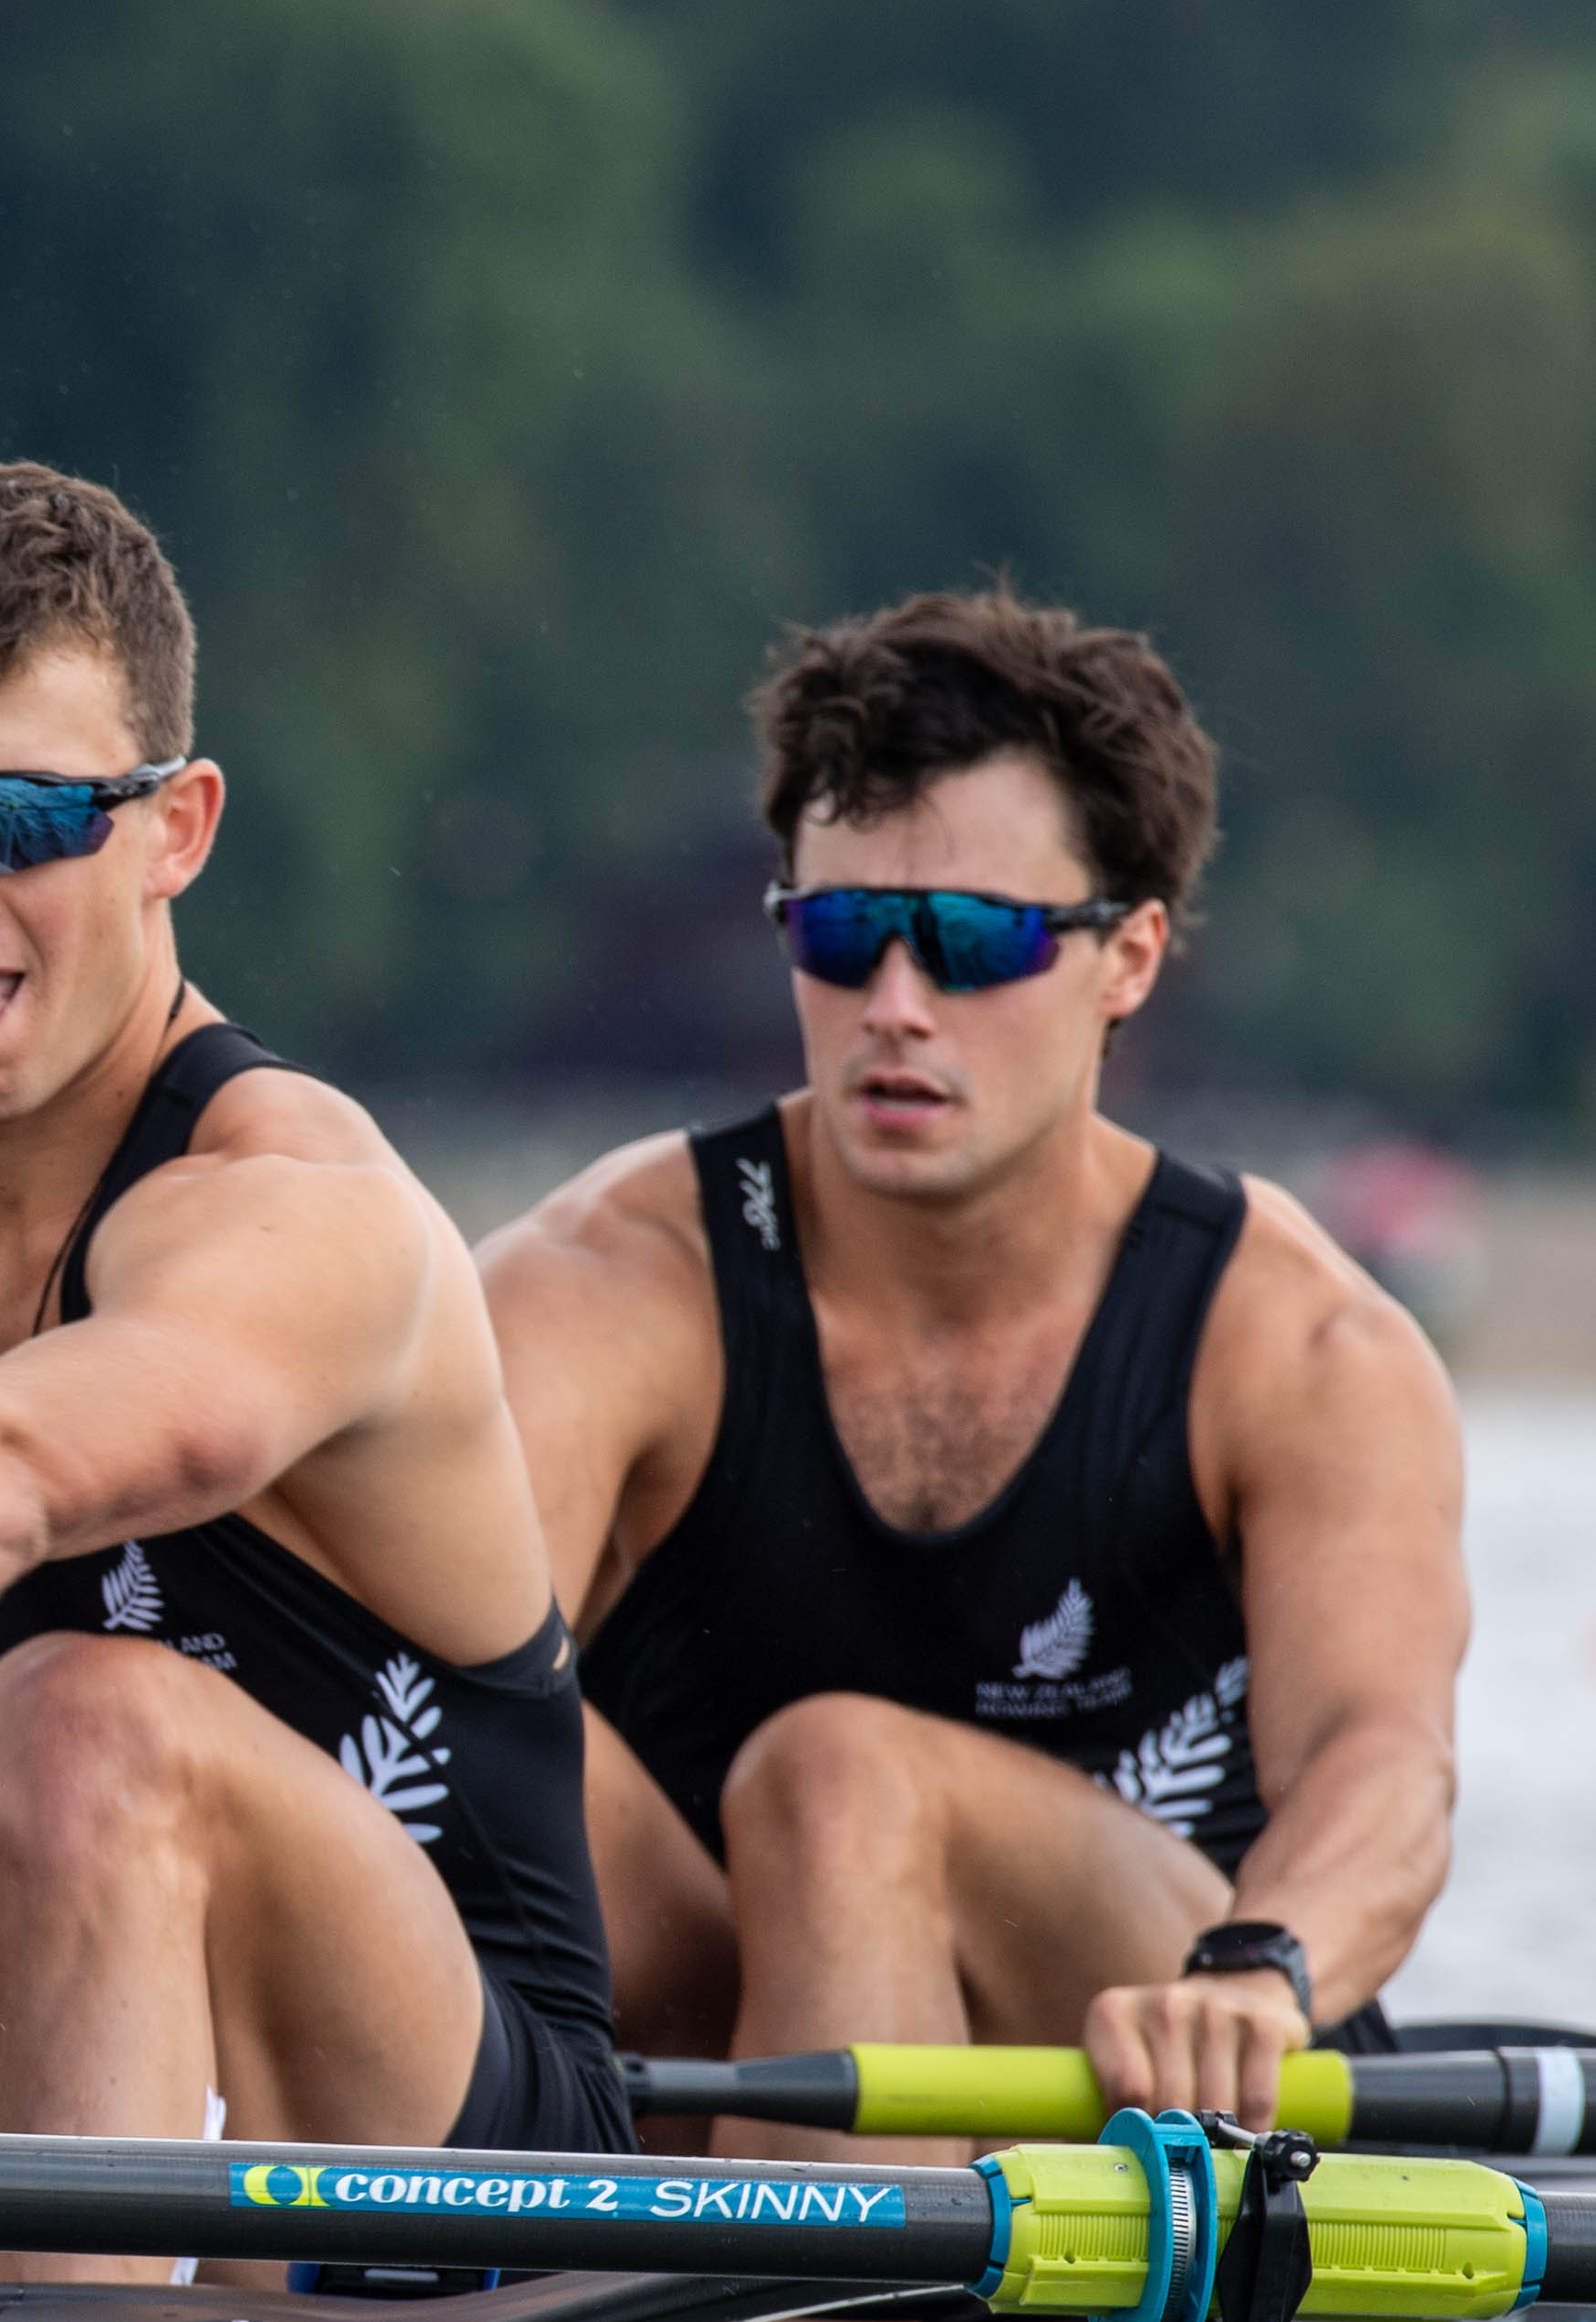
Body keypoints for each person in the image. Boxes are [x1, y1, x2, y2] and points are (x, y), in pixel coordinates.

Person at [0, 459, 627, 2322]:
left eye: (22, 817)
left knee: (79, 1727)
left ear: (174, 827)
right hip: (13, 2026)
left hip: (441, 2159)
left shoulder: (299, 1211)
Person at [480, 586, 1462, 2162]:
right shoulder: (602, 1286)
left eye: (971, 941)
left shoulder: (1294, 1342)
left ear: (1127, 956)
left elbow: (1381, 1761)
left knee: (838, 1773)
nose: (891, 1006)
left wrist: (1259, 1969)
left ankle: (802, 2300)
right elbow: (425, 1702)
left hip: (1167, 2054)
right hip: (724, 2030)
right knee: (444, 1676)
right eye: (838, 932)